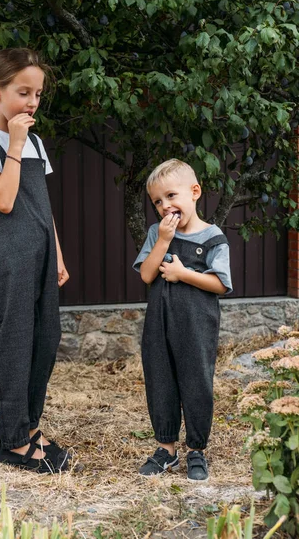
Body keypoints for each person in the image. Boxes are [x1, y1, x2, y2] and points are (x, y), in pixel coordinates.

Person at [0, 48, 70, 473]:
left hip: (40, 253)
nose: (32, 102)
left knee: (45, 338)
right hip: (6, 256)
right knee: (13, 343)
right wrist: (16, 144)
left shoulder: (36, 141)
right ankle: (12, 442)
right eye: (23, 92)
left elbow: (41, 205)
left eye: (38, 94)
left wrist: (57, 253)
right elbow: (4, 201)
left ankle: (28, 428)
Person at [132, 159, 232, 482]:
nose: (165, 206)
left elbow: (221, 284)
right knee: (160, 379)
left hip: (196, 327)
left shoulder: (213, 238)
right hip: (159, 325)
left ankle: (196, 451)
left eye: (171, 196)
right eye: (158, 202)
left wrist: (183, 274)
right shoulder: (156, 233)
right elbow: (147, 274)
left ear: (194, 192)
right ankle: (166, 449)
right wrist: (162, 241)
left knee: (196, 382)